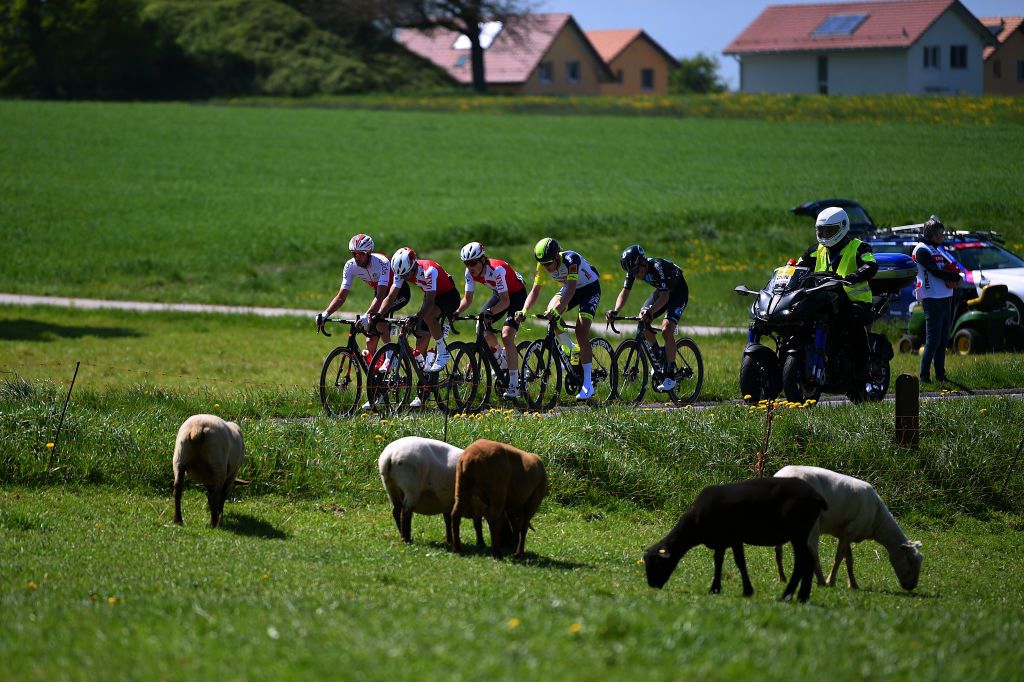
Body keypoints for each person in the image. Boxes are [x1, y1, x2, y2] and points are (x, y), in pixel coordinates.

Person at [795, 207, 878, 392]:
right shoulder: (816, 251)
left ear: (842, 227)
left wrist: (854, 276)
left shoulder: (859, 247)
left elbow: (871, 265)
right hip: (825, 300)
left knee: (853, 321)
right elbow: (797, 267)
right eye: (821, 231)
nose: (824, 235)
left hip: (854, 300)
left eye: (829, 231)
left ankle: (864, 364)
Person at [516, 237, 601, 401]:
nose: (547, 268)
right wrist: (524, 310)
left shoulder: (571, 260)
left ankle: (588, 384)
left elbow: (570, 288)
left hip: (589, 290)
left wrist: (558, 310)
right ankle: (571, 349)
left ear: (556, 256)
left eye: (549, 263)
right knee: (551, 313)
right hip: (571, 289)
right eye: (544, 264)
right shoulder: (542, 264)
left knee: (581, 332)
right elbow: (535, 291)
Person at [378, 247, 459, 407]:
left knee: (428, 315)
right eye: (402, 276)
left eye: (407, 275)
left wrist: (415, 318)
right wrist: (378, 315)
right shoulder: (402, 272)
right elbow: (391, 296)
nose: (405, 279)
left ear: (414, 266)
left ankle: (442, 352)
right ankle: (425, 388)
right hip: (431, 297)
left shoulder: (429, 271)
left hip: (448, 297)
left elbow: (429, 303)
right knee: (420, 341)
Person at [605, 245, 689, 391]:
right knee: (641, 320)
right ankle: (659, 357)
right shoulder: (633, 269)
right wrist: (615, 310)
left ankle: (669, 374)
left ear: (643, 261)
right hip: (663, 291)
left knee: (666, 330)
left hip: (677, 293)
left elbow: (664, 297)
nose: (635, 275)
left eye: (637, 271)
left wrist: (650, 312)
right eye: (632, 272)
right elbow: (625, 291)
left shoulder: (658, 267)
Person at [315, 233, 410, 361]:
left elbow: (382, 296)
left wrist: (367, 315)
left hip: (398, 292)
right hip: (380, 294)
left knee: (378, 319)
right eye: (354, 254)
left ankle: (391, 358)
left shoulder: (382, 262)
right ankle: (376, 375)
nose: (357, 257)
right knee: (370, 342)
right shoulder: (350, 266)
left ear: (369, 252)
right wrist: (326, 314)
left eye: (361, 254)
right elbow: (341, 297)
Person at [455, 241, 528, 399]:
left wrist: (489, 312)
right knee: (481, 326)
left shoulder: (497, 270)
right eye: (466, 263)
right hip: (500, 294)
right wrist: (457, 312)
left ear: (482, 260)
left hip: (516, 296)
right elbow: (467, 299)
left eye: (472, 262)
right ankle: (501, 359)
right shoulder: (469, 273)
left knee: (507, 335)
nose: (469, 267)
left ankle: (514, 385)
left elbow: (506, 302)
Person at [912, 216, 962, 383]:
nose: (942, 237)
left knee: (943, 340)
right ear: (932, 234)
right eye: (940, 234)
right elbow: (933, 271)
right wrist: (953, 275)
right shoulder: (921, 250)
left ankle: (940, 375)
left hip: (945, 297)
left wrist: (953, 272)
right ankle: (924, 377)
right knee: (932, 341)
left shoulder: (936, 249)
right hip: (932, 299)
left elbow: (942, 267)